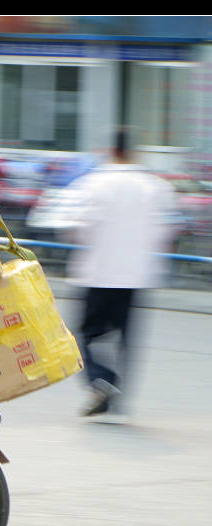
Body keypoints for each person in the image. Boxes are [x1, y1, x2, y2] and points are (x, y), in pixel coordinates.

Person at [60, 128, 176, 421]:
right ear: (132, 152)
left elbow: (79, 228)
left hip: (97, 273)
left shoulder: (94, 183)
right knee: (126, 337)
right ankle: (116, 389)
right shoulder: (153, 186)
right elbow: (164, 230)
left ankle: (101, 380)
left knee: (83, 335)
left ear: (111, 150)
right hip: (135, 276)